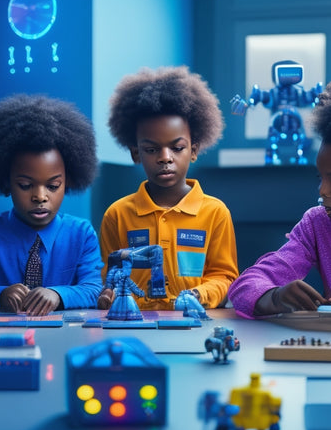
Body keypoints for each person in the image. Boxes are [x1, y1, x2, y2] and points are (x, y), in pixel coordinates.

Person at [229, 80, 331, 319]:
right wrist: (275, 296)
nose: (323, 191)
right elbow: (244, 286)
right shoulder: (318, 224)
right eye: (321, 178)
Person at [99, 66, 238, 311]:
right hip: (132, 327)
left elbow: (225, 278)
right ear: (135, 153)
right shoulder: (117, 214)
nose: (165, 158)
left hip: (193, 326)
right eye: (152, 149)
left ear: (193, 151)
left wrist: (197, 294)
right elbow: (106, 276)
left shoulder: (215, 213)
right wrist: (109, 294)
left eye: (177, 148)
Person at [0, 94, 103, 315]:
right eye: (25, 185)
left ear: (68, 181)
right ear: (6, 181)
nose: (40, 197)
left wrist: (57, 294)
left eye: (53, 186)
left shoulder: (81, 234)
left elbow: (93, 289)